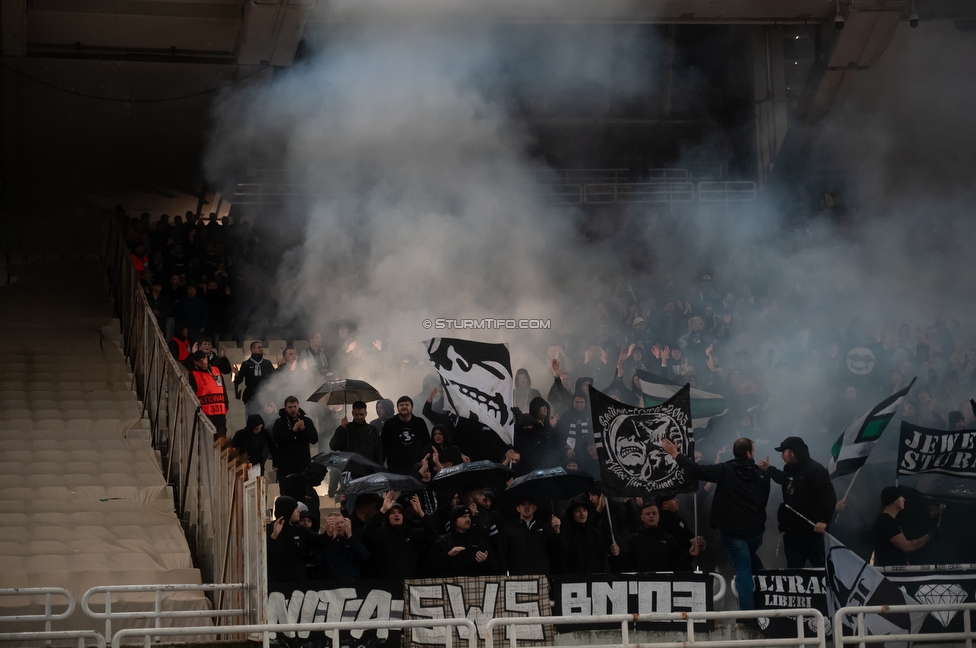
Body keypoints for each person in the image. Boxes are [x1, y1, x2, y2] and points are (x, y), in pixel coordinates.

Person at [661, 437, 770, 611]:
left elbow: (695, 470)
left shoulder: (725, 470)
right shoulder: (762, 474)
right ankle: (766, 602)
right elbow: (763, 500)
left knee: (742, 568)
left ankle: (749, 613)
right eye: (754, 451)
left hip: (733, 532)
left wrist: (676, 454)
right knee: (752, 565)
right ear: (749, 453)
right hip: (754, 531)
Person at [759, 436, 836, 568]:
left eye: (784, 452)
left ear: (793, 452)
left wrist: (823, 520)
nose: (782, 456)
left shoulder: (815, 469)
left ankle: (827, 588)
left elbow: (828, 496)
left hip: (813, 531)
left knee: (820, 566)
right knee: (794, 568)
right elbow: (784, 479)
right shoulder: (790, 470)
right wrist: (769, 469)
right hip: (792, 532)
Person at [266, 496, 329, 585]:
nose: (299, 510)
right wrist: (273, 536)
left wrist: (329, 533)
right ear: (288, 510)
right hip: (275, 583)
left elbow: (320, 542)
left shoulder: (300, 530)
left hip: (298, 582)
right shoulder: (268, 530)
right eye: (295, 508)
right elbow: (263, 554)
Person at [428, 505, 501, 577]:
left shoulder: (479, 540)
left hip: (473, 584)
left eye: (469, 516)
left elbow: (496, 566)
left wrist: (485, 561)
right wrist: (448, 556)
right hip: (450, 583)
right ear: (454, 520)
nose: (468, 519)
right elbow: (430, 567)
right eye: (463, 516)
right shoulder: (443, 542)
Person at [873, 486, 937, 567]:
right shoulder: (886, 522)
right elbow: (907, 546)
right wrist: (929, 536)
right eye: (901, 497)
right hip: (892, 574)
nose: (904, 499)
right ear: (895, 500)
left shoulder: (891, 521)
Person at [498, 496, 561, 575]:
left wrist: (557, 531)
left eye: (530, 504)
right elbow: (502, 555)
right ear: (518, 508)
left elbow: (556, 551)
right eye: (523, 504)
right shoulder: (508, 529)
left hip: (541, 576)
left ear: (535, 508)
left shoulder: (545, 527)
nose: (526, 507)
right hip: (517, 578)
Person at [629, 501, 698, 572]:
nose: (651, 516)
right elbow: (627, 563)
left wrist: (690, 554)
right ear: (642, 517)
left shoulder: (668, 539)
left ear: (658, 516)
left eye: (654, 513)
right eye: (648, 514)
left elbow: (679, 564)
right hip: (641, 580)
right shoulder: (634, 539)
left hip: (665, 580)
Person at [557, 497, 618, 575]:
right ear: (572, 514)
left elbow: (604, 561)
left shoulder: (596, 534)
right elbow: (563, 560)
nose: (582, 514)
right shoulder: (567, 535)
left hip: (596, 580)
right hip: (575, 581)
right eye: (578, 511)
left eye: (584, 510)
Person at [380, 396, 431, 474]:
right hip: (395, 469)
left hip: (417, 468)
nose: (404, 407)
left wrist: (427, 463)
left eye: (407, 405)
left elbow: (427, 445)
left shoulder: (419, 423)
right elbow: (382, 446)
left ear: (412, 407)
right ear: (397, 408)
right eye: (401, 405)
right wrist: (380, 466)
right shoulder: (389, 424)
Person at [272, 396, 319, 479]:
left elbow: (314, 439)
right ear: (285, 408)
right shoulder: (279, 422)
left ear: (298, 406)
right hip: (285, 464)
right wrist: (292, 431)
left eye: (295, 407)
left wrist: (303, 429)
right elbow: (276, 439)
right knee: (286, 491)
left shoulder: (307, 421)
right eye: (290, 407)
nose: (293, 410)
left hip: (303, 463)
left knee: (303, 490)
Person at [185, 350, 228, 437]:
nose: (203, 362)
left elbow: (223, 390)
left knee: (221, 442)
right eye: (200, 361)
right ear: (195, 362)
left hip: (221, 413)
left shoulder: (216, 370)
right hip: (206, 415)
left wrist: (226, 406)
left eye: (204, 359)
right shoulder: (193, 374)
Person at [234, 341, 276, 419]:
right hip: (250, 397)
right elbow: (239, 381)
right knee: (251, 420)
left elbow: (274, 377)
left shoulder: (267, 363)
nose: (261, 349)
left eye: (262, 347)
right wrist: (237, 374)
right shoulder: (246, 364)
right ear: (252, 349)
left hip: (265, 396)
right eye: (259, 347)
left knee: (265, 420)